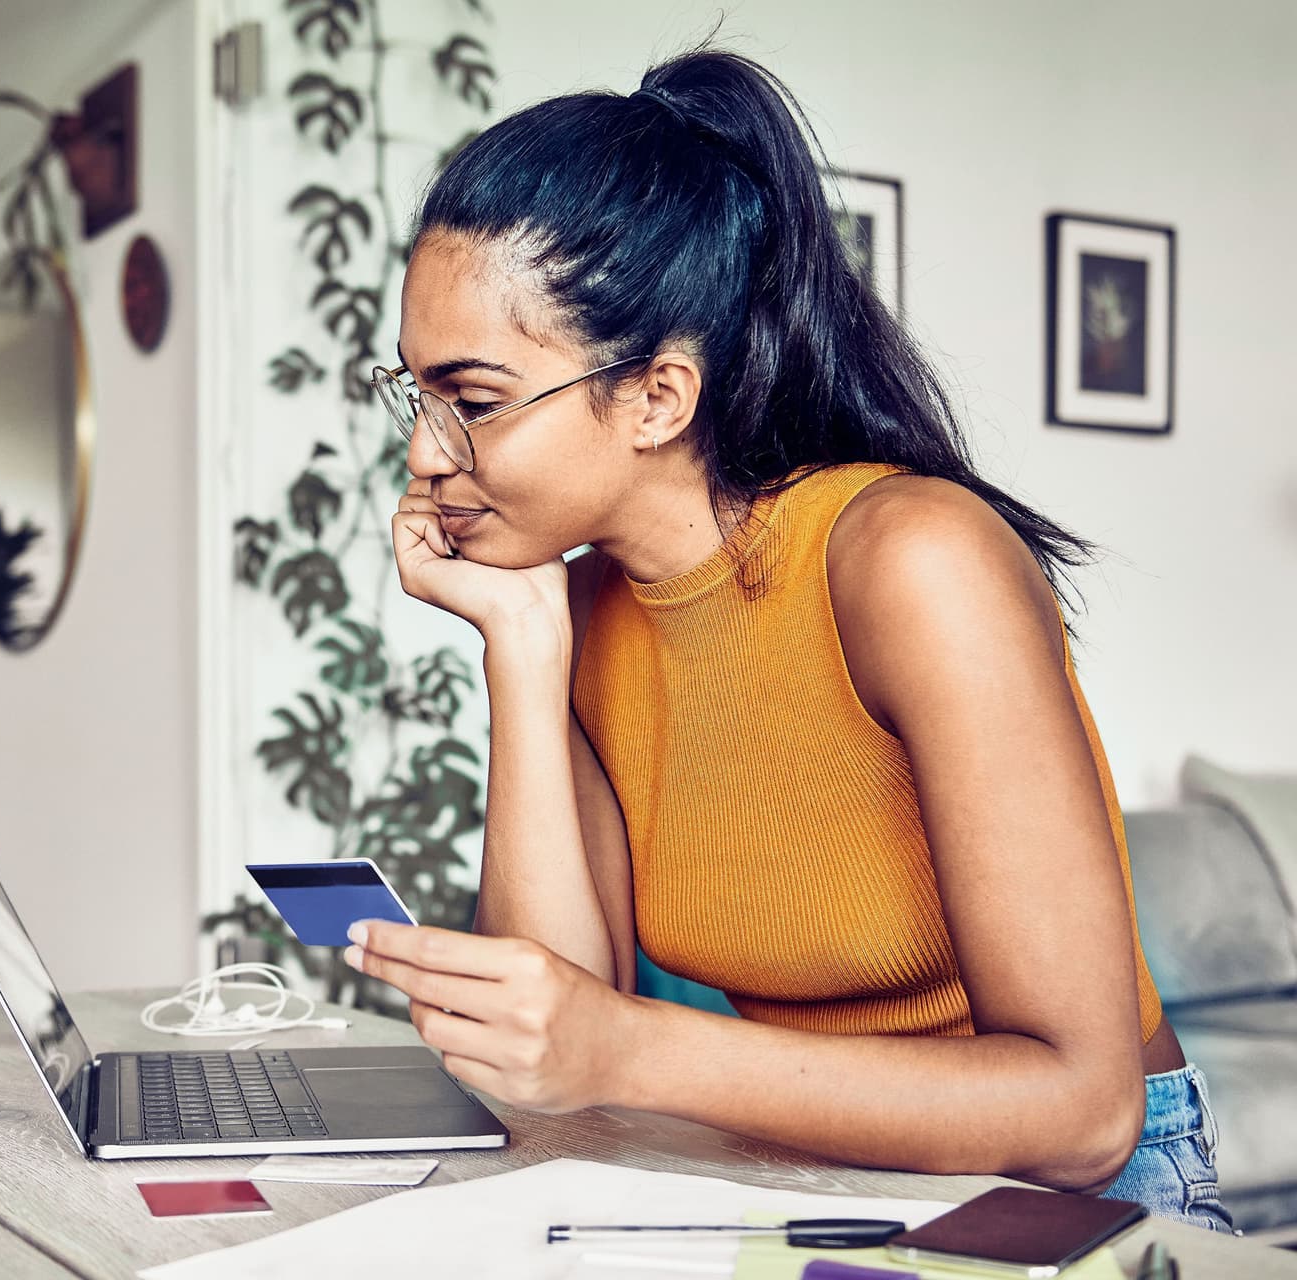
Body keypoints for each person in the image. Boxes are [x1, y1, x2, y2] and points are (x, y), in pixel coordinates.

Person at [345, 40, 1237, 1232]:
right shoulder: (587, 606)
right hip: (817, 1179)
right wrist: (519, 638)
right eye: (416, 393)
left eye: (475, 399)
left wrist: (628, 1047)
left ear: (658, 396)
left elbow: (1083, 1112)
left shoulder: (913, 560)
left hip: (1078, 1200)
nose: (424, 450)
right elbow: (554, 1069)